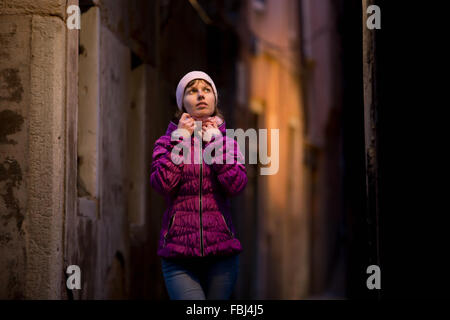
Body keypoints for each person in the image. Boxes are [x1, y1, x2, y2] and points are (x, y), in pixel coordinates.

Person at [150, 71, 248, 300]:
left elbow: (236, 185)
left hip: (222, 256)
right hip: (178, 257)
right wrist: (180, 139)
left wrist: (216, 143)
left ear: (214, 99)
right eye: (192, 91)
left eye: (206, 90)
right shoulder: (166, 142)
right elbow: (163, 184)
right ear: (181, 103)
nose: (200, 95)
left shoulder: (229, 142)